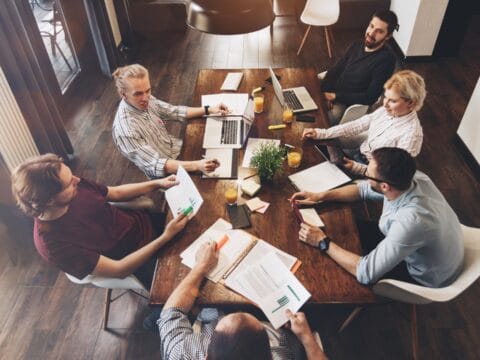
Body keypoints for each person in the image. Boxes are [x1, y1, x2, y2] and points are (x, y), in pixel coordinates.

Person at [290, 147, 464, 288]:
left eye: (368, 174)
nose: (365, 174)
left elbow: (365, 273)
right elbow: (363, 189)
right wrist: (321, 196)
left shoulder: (410, 222)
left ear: (385, 186)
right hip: (431, 244)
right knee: (340, 229)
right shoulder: (412, 177)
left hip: (426, 275)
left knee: (333, 267)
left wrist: (323, 242)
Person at [11, 153, 190, 289]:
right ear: (49, 200)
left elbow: (115, 193)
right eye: (69, 183)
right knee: (188, 285)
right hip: (137, 261)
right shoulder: (52, 243)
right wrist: (166, 237)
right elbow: (120, 269)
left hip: (145, 226)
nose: (78, 180)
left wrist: (157, 183)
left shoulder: (75, 186)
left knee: (202, 231)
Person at [158, 242, 327, 360]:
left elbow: (171, 313)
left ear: (207, 357)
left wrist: (201, 265)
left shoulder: (183, 354)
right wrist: (306, 337)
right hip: (284, 325)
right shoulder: (279, 355)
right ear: (269, 355)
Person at [112, 64, 228, 179]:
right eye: (138, 94)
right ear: (123, 94)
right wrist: (197, 165)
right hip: (167, 175)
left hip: (177, 148)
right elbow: (157, 164)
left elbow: (173, 111)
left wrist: (208, 109)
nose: (145, 98)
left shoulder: (146, 98)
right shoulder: (125, 130)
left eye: (148, 90)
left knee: (224, 149)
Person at [304, 69, 425, 175]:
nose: (385, 104)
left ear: (411, 103)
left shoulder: (411, 135)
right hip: (356, 154)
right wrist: (321, 133)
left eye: (392, 101)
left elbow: (393, 173)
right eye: (385, 97)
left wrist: (359, 169)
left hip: (369, 172)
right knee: (313, 154)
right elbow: (357, 125)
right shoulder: (387, 111)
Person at [320, 9, 399, 125]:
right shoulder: (356, 45)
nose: (371, 33)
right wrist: (325, 92)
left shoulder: (386, 60)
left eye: (379, 31)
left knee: (321, 121)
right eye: (371, 26)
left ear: (388, 36)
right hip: (332, 93)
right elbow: (335, 71)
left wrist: (335, 96)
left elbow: (370, 97)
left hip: (347, 104)